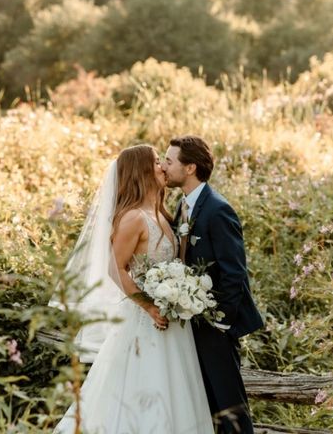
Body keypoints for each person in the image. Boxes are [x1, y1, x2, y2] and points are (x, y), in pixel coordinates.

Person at [52, 144, 214, 434]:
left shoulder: (162, 215)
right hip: (143, 321)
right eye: (155, 162)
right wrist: (148, 305)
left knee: (175, 392)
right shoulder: (132, 218)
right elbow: (116, 268)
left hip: (173, 324)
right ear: (141, 171)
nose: (163, 167)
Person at [162, 136, 264, 434]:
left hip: (216, 327)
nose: (164, 166)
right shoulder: (181, 205)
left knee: (230, 408)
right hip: (192, 324)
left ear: (190, 167)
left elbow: (235, 273)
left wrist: (221, 322)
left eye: (169, 161)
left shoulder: (218, 209)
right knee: (205, 406)